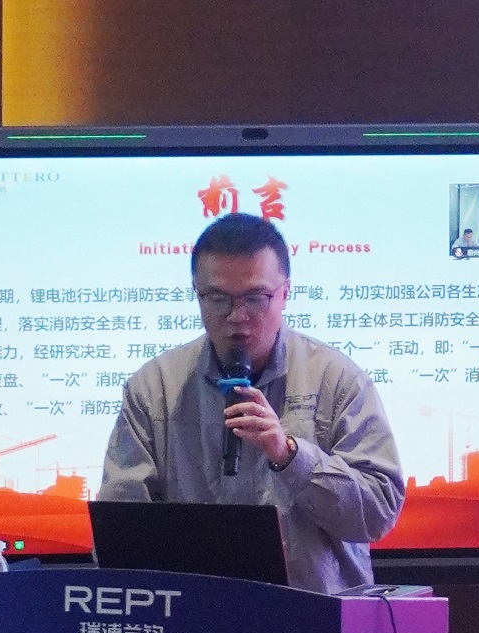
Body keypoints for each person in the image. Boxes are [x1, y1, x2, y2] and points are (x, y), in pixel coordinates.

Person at [100, 212, 405, 594]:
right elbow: (120, 529)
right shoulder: (155, 387)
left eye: (255, 298)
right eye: (217, 299)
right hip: (193, 615)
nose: (237, 317)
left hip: (316, 616)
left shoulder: (337, 379)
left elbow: (378, 513)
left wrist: (291, 455)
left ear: (285, 293)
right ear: (197, 293)